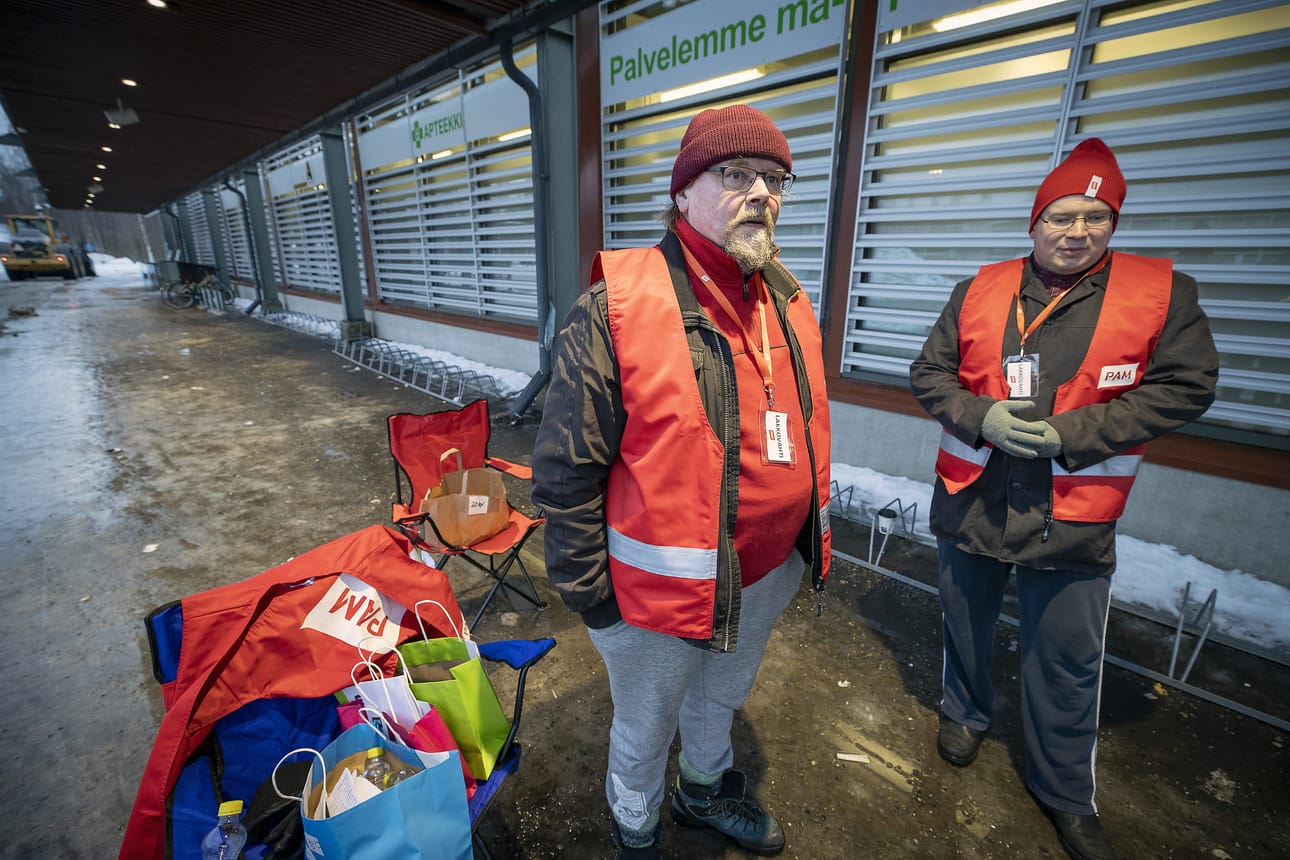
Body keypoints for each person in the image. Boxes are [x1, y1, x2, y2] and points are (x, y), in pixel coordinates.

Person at [532, 104, 831, 859]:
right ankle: (635, 827)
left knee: (721, 699)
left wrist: (801, 546)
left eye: (775, 179)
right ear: (683, 193)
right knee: (644, 724)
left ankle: (700, 793)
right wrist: (596, 606)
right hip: (655, 598)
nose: (760, 193)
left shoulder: (790, 301)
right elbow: (566, 474)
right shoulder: (617, 306)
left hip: (764, 573)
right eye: (736, 175)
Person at [909, 138, 1218, 860]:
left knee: (1068, 656)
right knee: (963, 621)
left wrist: (1074, 433)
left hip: (1072, 511)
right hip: (973, 496)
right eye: (1061, 216)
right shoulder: (978, 289)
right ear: (1035, 222)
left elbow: (1187, 386)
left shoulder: (1162, 294)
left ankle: (1063, 790)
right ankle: (964, 713)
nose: (1077, 232)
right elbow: (930, 375)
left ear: (1113, 224)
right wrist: (978, 416)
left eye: (1096, 217)